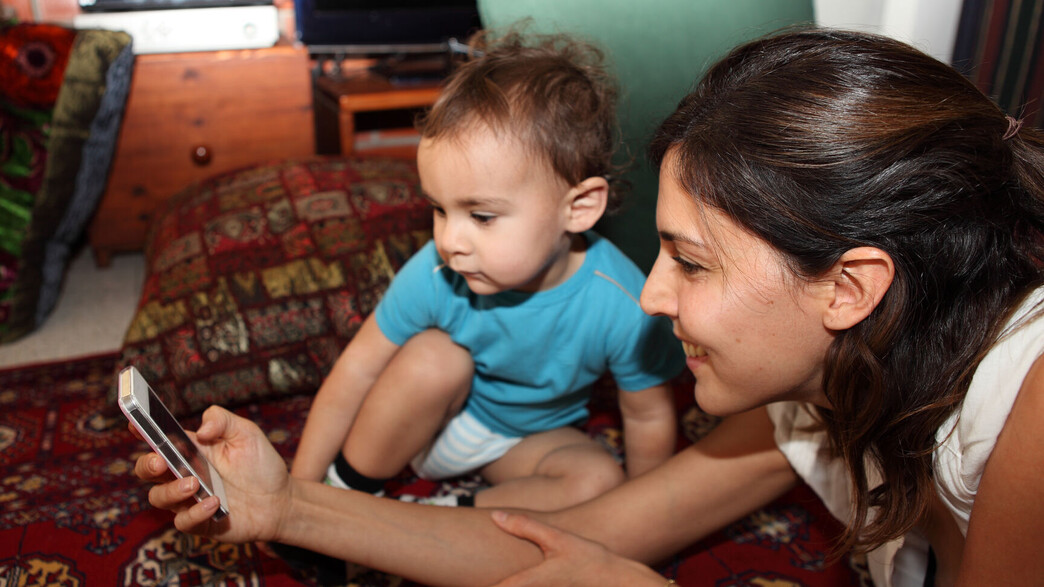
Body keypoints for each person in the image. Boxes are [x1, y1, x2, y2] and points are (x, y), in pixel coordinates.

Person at [132, 28, 1044, 587]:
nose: (649, 293)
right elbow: (573, 543)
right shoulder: (818, 386)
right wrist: (288, 506)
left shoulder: (1028, 424)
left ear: (849, 288)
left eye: (689, 261)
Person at [288, 29, 683, 518]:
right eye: (438, 209)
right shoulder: (435, 272)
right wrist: (298, 492)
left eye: (481, 216)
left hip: (523, 446)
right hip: (434, 421)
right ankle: (345, 492)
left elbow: (647, 416)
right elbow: (356, 371)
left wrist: (643, 521)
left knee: (599, 480)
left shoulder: (624, 301)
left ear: (579, 208)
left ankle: (438, 516)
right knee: (436, 358)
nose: (450, 240)